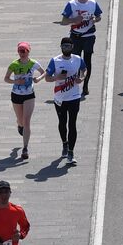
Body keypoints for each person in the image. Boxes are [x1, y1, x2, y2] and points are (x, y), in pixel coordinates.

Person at [45, 35, 87, 164]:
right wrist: (57, 77)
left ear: (72, 47)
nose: (66, 48)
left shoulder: (78, 59)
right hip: (60, 98)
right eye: (64, 46)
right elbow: (47, 78)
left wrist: (82, 78)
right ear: (61, 47)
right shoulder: (55, 60)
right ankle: (64, 143)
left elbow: (84, 70)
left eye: (68, 46)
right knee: (62, 123)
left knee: (72, 124)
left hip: (74, 97)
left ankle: (71, 152)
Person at [60, 0, 103, 98]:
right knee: (74, 61)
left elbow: (99, 16)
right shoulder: (72, 4)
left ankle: (85, 86)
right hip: (75, 36)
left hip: (89, 36)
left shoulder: (93, 3)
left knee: (87, 61)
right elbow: (63, 21)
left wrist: (95, 19)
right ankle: (73, 84)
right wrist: (74, 20)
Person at [6, 44, 44, 160]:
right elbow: (6, 78)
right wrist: (16, 81)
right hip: (16, 95)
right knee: (21, 121)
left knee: (27, 121)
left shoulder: (33, 63)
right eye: (20, 51)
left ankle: (25, 148)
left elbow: (44, 72)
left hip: (29, 95)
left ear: (28, 51)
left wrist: (38, 79)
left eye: (24, 51)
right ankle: (19, 125)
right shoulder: (14, 64)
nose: (22, 53)